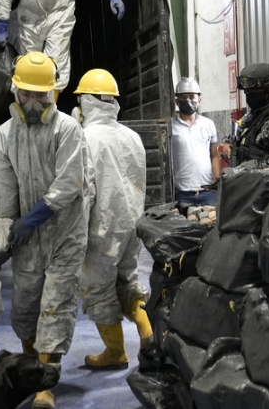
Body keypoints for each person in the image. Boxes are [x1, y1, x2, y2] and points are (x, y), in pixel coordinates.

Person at [0, 51, 89, 409]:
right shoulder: (2, 137)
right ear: (14, 92)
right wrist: (5, 235)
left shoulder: (68, 130)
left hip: (65, 233)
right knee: (25, 311)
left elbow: (69, 185)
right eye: (26, 94)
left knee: (56, 308)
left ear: (53, 94)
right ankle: (34, 369)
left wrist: (30, 220)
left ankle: (46, 386)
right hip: (29, 243)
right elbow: (5, 196)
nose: (32, 102)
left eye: (41, 95)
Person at [71, 69, 152, 369]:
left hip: (99, 228)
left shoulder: (85, 138)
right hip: (131, 226)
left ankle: (116, 352)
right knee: (127, 278)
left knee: (98, 288)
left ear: (87, 102)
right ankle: (147, 329)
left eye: (80, 99)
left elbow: (84, 191)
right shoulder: (132, 137)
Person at [170, 77, 220, 206]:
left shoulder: (208, 124)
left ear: (199, 100)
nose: (188, 100)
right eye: (183, 97)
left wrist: (218, 182)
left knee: (210, 223)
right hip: (182, 193)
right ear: (177, 101)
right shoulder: (170, 127)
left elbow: (214, 155)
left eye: (192, 97)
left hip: (207, 192)